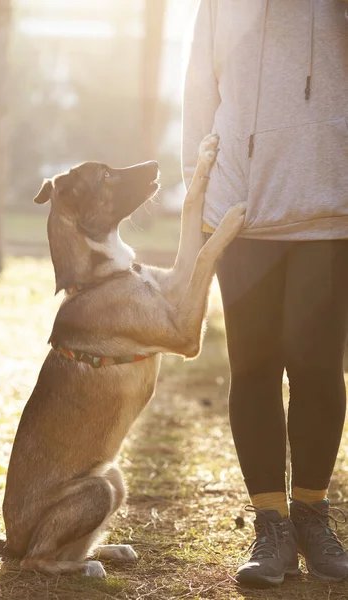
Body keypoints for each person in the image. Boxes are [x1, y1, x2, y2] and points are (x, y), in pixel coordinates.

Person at [183, 0, 348, 588]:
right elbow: (200, 86)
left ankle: (311, 511)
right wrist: (196, 192)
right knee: (253, 368)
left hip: (329, 206)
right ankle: (271, 523)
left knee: (318, 367)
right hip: (241, 210)